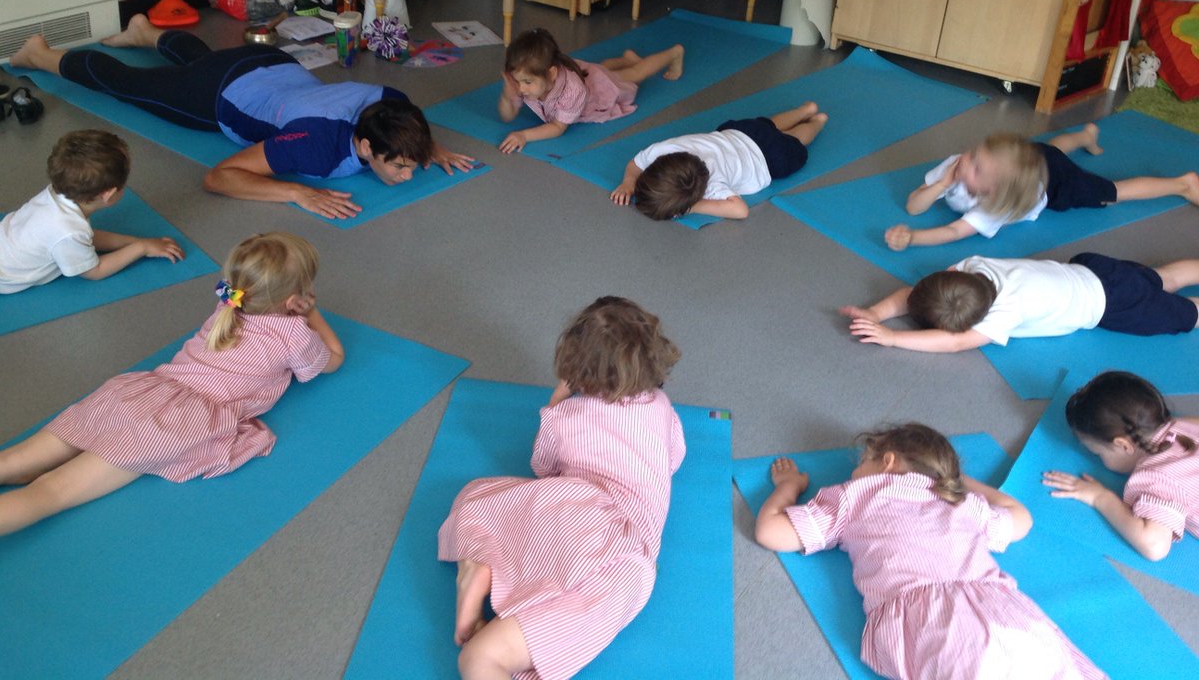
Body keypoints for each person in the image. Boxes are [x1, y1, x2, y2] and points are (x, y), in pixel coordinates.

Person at [0, 231, 343, 536]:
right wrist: (309, 313)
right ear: (293, 299)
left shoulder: (227, 302)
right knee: (51, 492)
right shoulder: (295, 333)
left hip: (135, 393)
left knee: (11, 460)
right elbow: (334, 359)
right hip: (173, 424)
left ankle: (24, 468)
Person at [437, 296, 685, 680]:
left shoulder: (567, 417)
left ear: (577, 370)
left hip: (573, 514)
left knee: (477, 497)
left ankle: (477, 565)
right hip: (627, 555)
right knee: (483, 659)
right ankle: (488, 580)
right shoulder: (663, 407)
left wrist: (554, 407)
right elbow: (673, 458)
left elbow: (544, 468)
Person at [10, 17, 476, 219]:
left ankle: (145, 31)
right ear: (367, 147)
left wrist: (427, 147)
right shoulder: (315, 143)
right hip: (219, 93)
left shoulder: (394, 104)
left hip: (271, 64)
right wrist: (297, 192)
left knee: (203, 59)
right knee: (129, 85)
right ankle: (41, 54)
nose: (408, 173)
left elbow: (406, 124)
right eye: (400, 165)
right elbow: (219, 177)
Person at [753, 423, 1105, 680]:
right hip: (1000, 606)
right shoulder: (961, 501)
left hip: (930, 621)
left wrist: (788, 487)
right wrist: (958, 482)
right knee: (1050, 663)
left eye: (861, 463)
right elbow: (1021, 519)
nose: (854, 471)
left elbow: (770, 531)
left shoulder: (854, 496)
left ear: (887, 462)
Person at [885, 124, 1199, 251]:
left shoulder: (995, 205)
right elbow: (913, 206)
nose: (965, 162)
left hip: (1053, 185)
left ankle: (1183, 184)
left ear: (994, 189)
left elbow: (954, 231)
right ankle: (1085, 136)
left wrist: (914, 238)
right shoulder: (957, 166)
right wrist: (942, 183)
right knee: (1049, 152)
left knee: (1110, 195)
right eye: (972, 154)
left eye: (977, 168)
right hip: (1035, 157)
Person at [840, 251, 1199, 353]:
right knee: (1164, 277)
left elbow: (956, 343)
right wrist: (874, 313)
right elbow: (915, 295)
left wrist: (893, 337)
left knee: (1186, 314)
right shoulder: (972, 266)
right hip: (1098, 269)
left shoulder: (1003, 314)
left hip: (1112, 304)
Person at [0, 129, 183, 294]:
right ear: (109, 194)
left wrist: (137, 241)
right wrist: (142, 248)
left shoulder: (55, 193)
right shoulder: (68, 231)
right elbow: (95, 271)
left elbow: (88, 237)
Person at [1043, 371, 1198, 562]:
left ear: (1123, 446)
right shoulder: (1186, 424)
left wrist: (1100, 497)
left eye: (1098, 453)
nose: (1098, 458)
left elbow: (1155, 546)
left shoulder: (1156, 477)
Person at [610, 102, 827, 220]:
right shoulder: (663, 150)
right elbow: (635, 165)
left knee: (796, 139)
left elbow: (740, 210)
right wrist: (629, 182)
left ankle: (817, 122)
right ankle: (804, 110)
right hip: (741, 131)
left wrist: (692, 207)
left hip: (769, 157)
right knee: (768, 124)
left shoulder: (712, 183)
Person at [496, 27, 684, 154]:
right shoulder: (525, 82)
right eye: (517, 81)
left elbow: (558, 127)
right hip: (589, 76)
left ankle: (674, 53)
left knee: (636, 74)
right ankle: (627, 59)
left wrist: (524, 135)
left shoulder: (573, 91)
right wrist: (507, 96)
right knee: (603, 69)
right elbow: (507, 116)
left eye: (527, 82)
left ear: (551, 73)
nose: (521, 88)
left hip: (599, 89)